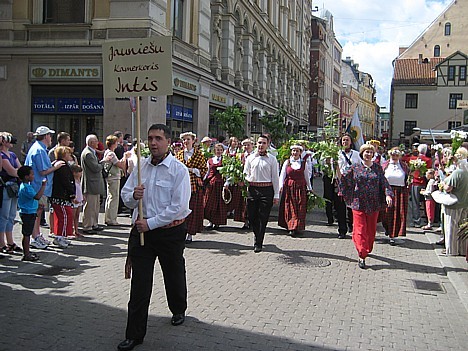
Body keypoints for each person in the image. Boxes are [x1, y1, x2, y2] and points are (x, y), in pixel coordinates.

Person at [118, 124, 191, 351]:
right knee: (140, 284)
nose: (153, 143)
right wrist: (133, 195)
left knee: (173, 273)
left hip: (169, 232)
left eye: (158, 138)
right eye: (150, 138)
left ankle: (178, 308)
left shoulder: (178, 170)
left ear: (168, 142)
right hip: (142, 235)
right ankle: (134, 334)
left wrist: (150, 223)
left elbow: (178, 207)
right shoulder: (141, 167)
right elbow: (125, 196)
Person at [337, 144, 394, 269]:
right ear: (362, 153)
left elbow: (384, 183)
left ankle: (365, 248)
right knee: (360, 228)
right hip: (358, 203)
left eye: (370, 152)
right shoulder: (355, 167)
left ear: (373, 154)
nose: (368, 154)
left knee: (371, 230)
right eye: (366, 152)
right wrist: (335, 166)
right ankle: (361, 254)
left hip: (373, 204)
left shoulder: (378, 169)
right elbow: (344, 179)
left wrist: (388, 195)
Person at [25, 126, 66, 249]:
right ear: (46, 136)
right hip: (38, 186)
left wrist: (52, 165)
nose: (51, 138)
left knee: (38, 211)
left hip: (39, 186)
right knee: (36, 212)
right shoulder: (39, 150)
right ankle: (35, 237)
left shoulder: (38, 148)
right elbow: (43, 171)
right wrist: (56, 166)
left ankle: (37, 235)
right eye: (50, 135)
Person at [243, 135, 280, 253]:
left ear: (268, 145)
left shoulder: (272, 159)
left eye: (264, 143)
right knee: (252, 216)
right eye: (259, 143)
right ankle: (256, 234)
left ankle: (258, 242)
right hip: (253, 189)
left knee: (263, 217)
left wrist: (276, 195)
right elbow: (245, 173)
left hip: (267, 190)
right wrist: (244, 181)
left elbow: (275, 178)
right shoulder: (250, 158)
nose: (261, 145)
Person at [175, 132, 207, 244]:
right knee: (181, 210)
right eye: (184, 140)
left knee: (192, 211)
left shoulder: (199, 155)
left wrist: (192, 170)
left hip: (194, 187)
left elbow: (204, 171)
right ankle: (181, 232)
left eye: (188, 139)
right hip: (180, 186)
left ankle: (189, 234)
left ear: (193, 141)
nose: (186, 141)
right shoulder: (178, 154)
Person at [278, 144, 312, 237]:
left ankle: (298, 226)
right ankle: (291, 227)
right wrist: (280, 186)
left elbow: (307, 176)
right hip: (289, 187)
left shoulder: (303, 163)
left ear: (300, 153)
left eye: (297, 151)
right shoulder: (287, 162)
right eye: (293, 151)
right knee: (290, 206)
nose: (295, 153)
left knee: (300, 207)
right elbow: (282, 175)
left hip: (300, 187)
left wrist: (310, 188)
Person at [441, 150, 468, 256]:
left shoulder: (457, 173)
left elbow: (448, 188)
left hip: (454, 203)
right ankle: (462, 250)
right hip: (465, 203)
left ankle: (452, 250)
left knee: (451, 227)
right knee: (462, 228)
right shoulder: (466, 171)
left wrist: (442, 184)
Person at [81, 134, 109, 234]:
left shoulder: (91, 152)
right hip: (91, 183)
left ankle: (94, 224)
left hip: (95, 183)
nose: (98, 143)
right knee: (90, 206)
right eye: (96, 141)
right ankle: (87, 226)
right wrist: (104, 162)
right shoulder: (88, 153)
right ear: (91, 143)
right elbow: (95, 168)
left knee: (96, 205)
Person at [381, 147, 410, 245]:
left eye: (397, 155)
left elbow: (408, 177)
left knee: (398, 214)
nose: (394, 157)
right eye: (393, 155)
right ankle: (387, 229)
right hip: (387, 191)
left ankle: (393, 234)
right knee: (386, 213)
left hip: (400, 191)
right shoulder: (384, 165)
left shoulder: (404, 166)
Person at [17, 166, 46, 261]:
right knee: (27, 234)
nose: (33, 176)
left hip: (30, 212)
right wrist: (43, 186)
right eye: (32, 174)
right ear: (26, 176)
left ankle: (27, 252)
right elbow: (37, 197)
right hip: (27, 213)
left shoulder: (27, 186)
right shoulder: (26, 188)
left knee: (27, 233)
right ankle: (26, 254)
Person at [0, 132, 22, 254]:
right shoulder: (2, 155)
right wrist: (18, 171)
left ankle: (10, 241)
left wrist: (18, 171)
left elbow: (21, 169)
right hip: (5, 187)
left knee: (12, 215)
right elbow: (12, 172)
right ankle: (1, 243)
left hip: (14, 187)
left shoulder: (12, 155)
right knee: (4, 215)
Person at [50, 146, 75, 247]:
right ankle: (59, 236)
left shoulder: (61, 165)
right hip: (61, 196)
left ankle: (62, 236)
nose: (70, 156)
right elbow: (66, 181)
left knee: (63, 216)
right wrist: (71, 193)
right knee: (64, 216)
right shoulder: (62, 166)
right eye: (68, 154)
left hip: (60, 195)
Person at [103, 135, 131, 226]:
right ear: (113, 144)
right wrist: (125, 157)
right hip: (114, 177)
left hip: (110, 177)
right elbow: (120, 165)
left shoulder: (107, 152)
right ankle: (112, 219)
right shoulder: (111, 154)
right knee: (114, 198)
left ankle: (108, 217)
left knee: (109, 197)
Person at [203, 143, 227, 229]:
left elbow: (227, 173)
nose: (219, 152)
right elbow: (207, 172)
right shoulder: (210, 160)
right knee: (209, 202)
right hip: (211, 184)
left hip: (220, 184)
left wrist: (226, 183)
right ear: (214, 151)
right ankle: (210, 222)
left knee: (219, 203)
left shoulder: (225, 160)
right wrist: (203, 180)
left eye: (221, 150)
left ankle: (217, 222)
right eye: (217, 150)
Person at [409, 143, 432, 227]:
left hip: (415, 182)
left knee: (415, 202)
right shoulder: (428, 160)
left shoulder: (413, 158)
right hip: (424, 183)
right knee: (426, 202)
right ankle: (428, 219)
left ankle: (416, 220)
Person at [70, 164, 84, 238]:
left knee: (77, 216)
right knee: (72, 216)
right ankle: (71, 231)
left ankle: (76, 230)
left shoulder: (79, 180)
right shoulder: (72, 181)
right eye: (79, 172)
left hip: (79, 200)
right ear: (74, 173)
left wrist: (82, 197)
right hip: (75, 201)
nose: (80, 174)